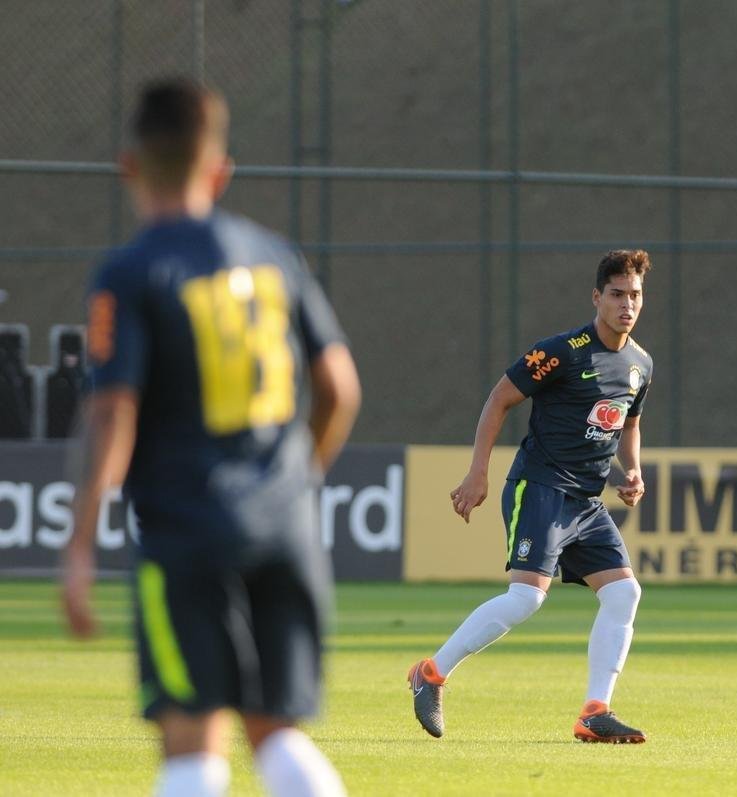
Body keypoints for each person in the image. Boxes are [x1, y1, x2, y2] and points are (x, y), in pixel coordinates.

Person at [60, 77, 360, 797]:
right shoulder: (276, 255)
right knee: (276, 731)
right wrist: (298, 482)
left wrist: (79, 543)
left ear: (130, 166)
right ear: (220, 170)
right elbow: (340, 389)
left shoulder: (132, 272)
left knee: (191, 741)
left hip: (187, 529)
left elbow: (113, 413)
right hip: (285, 529)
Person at [408, 250, 654, 744]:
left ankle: (595, 711)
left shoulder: (640, 363)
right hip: (540, 486)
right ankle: (431, 674)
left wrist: (633, 470)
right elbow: (499, 399)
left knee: (624, 593)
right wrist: (477, 473)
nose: (627, 305)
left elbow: (629, 421)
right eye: (617, 294)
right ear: (597, 297)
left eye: (635, 295)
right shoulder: (562, 351)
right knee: (525, 598)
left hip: (586, 501)